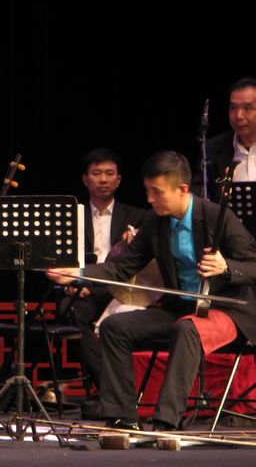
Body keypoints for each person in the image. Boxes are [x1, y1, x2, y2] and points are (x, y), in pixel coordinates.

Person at [48, 151, 256, 431]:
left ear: (182, 189)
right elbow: (121, 267)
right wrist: (78, 274)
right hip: (181, 308)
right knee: (114, 327)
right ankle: (122, 416)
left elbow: (252, 266)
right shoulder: (155, 222)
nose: (149, 199)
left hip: (225, 310)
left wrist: (226, 267)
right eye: (147, 191)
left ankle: (166, 422)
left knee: (187, 328)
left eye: (156, 192)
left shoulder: (217, 216)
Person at [62, 149, 147, 396]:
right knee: (71, 311)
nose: (103, 179)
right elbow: (62, 259)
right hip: (83, 286)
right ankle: (109, 388)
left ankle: (109, 392)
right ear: (85, 179)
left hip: (121, 287)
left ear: (118, 180)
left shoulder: (138, 216)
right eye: (96, 173)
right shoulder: (71, 216)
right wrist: (71, 282)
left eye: (109, 174)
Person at [194, 77, 256, 198]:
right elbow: (198, 196)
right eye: (233, 108)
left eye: (247, 108)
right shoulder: (212, 148)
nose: (238, 116)